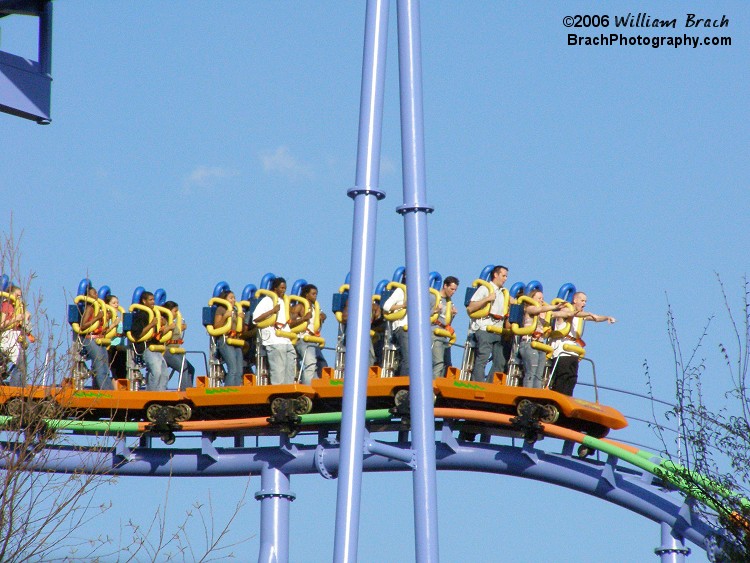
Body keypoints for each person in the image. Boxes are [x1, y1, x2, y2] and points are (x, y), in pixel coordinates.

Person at [548, 291, 616, 396]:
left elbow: (596, 318)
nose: (584, 303)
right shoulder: (566, 310)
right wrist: (588, 314)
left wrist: (607, 317)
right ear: (575, 300)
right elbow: (571, 314)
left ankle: (567, 399)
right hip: (562, 350)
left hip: (573, 352)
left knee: (572, 378)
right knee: (562, 377)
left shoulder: (581, 315)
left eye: (585, 301)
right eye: (582, 300)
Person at [467, 265, 510, 382]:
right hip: (484, 328)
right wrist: (487, 299)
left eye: (506, 276)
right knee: (483, 358)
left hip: (498, 330)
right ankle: (478, 384)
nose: (505, 279)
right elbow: (471, 308)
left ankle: (490, 385)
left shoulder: (503, 293)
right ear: (496, 275)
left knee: (500, 361)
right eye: (503, 276)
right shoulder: (485, 288)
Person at [518, 289, 566, 388]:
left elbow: (562, 314)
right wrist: (555, 307)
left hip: (540, 345)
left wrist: (574, 313)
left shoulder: (545, 313)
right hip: (529, 343)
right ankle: (528, 393)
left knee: (539, 375)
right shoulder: (529, 308)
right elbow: (537, 309)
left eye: (542, 299)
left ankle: (536, 396)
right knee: (531, 372)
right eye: (539, 298)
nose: (541, 300)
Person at [253, 277, 296, 384]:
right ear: (275, 288)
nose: (283, 290)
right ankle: (279, 391)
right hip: (274, 339)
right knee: (278, 369)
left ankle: (288, 390)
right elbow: (256, 318)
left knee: (291, 367)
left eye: (285, 288)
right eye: (281, 288)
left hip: (286, 339)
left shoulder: (284, 301)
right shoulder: (267, 300)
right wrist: (272, 311)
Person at [130, 291, 170, 391]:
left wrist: (166, 326)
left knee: (164, 374)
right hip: (145, 348)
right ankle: (151, 393)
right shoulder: (140, 315)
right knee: (156, 372)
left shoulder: (154, 314)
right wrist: (151, 324)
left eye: (154, 300)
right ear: (144, 301)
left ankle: (160, 394)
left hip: (155, 348)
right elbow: (137, 334)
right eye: (150, 300)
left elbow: (157, 335)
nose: (153, 302)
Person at [290, 284, 327, 384]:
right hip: (303, 339)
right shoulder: (300, 307)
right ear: (306, 295)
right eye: (313, 294)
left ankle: (316, 385)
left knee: (322, 365)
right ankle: (307, 387)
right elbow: (289, 324)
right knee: (310, 363)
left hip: (313, 341)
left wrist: (322, 317)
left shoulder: (316, 308)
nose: (315, 296)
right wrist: (303, 318)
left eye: (316, 294)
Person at [79, 284, 113, 390]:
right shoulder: (90, 307)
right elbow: (83, 326)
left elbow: (102, 328)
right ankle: (106, 391)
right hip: (90, 339)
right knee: (99, 365)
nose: (96, 295)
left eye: (97, 293)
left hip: (100, 339)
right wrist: (97, 318)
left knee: (105, 367)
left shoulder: (99, 308)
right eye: (94, 293)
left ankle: (105, 389)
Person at [213, 290, 245, 387]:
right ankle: (229, 392)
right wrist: (225, 316)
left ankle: (237, 392)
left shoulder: (235, 310)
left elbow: (241, 330)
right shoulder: (221, 309)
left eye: (234, 298)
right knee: (233, 369)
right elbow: (217, 326)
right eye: (231, 298)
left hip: (235, 340)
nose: (233, 300)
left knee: (240, 370)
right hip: (225, 340)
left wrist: (241, 319)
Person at [0, 285, 30, 386]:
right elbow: (2, 325)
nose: (19, 299)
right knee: (20, 363)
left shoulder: (19, 307)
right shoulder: (7, 305)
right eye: (17, 296)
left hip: (16, 337)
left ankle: (18, 386)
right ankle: (16, 389)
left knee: (22, 363)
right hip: (8, 337)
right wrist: (15, 318)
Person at [162, 300, 195, 390]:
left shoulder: (174, 322)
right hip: (167, 351)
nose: (177, 313)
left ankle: (189, 389)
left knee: (191, 369)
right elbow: (158, 334)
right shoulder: (163, 321)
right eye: (175, 311)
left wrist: (180, 327)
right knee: (183, 367)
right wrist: (168, 328)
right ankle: (184, 391)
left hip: (176, 351)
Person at [431, 276, 459, 379]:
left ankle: (440, 385)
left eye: (455, 290)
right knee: (438, 362)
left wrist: (452, 315)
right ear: (445, 285)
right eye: (452, 289)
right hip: (434, 333)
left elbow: (447, 322)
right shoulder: (433, 297)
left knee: (447, 364)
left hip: (444, 334)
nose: (453, 292)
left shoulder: (449, 302)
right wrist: (435, 311)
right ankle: (433, 387)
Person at [383, 276, 409, 375]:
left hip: (414, 330)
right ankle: (403, 383)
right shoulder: (401, 290)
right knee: (407, 357)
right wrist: (403, 305)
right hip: (402, 328)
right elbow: (386, 306)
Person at [104, 294, 127, 380]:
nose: (116, 305)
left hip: (120, 346)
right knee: (113, 369)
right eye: (114, 303)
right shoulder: (106, 317)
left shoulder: (119, 317)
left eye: (117, 303)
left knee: (122, 371)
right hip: (111, 346)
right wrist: (114, 324)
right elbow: (104, 332)